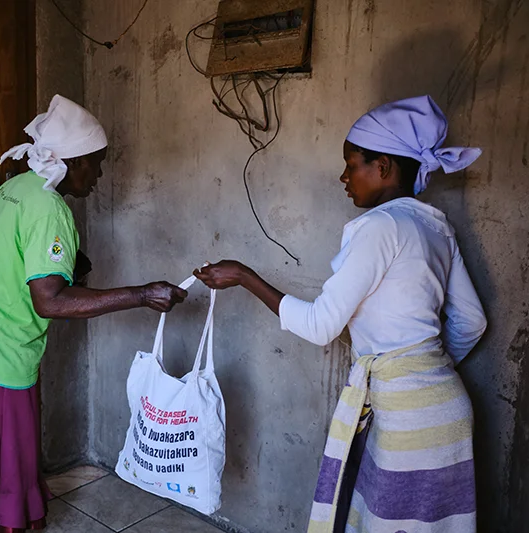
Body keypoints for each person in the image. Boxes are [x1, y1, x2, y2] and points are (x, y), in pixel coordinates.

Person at [194, 95, 486, 533]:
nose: (343, 177)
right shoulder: (436, 225)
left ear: (383, 166)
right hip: (448, 410)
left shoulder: (378, 228)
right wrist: (422, 369)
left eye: (352, 165)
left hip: (407, 419)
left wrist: (244, 276)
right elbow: (473, 321)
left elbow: (320, 326)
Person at [0, 94, 188, 533]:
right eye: (95, 163)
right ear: (74, 162)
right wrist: (141, 294)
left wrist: (37, 264)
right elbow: (50, 301)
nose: (99, 174)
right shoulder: (52, 208)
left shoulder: (13, 188)